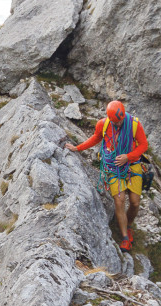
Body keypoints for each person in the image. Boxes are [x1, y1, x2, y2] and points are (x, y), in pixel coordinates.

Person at [64, 100, 149, 252]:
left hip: (132, 164)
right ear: (110, 118)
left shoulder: (135, 124)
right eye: (116, 122)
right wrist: (78, 148)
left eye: (121, 121)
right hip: (113, 166)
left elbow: (143, 145)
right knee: (120, 200)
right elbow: (96, 138)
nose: (119, 124)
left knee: (135, 202)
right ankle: (124, 237)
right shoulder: (103, 125)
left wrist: (127, 157)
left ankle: (128, 225)